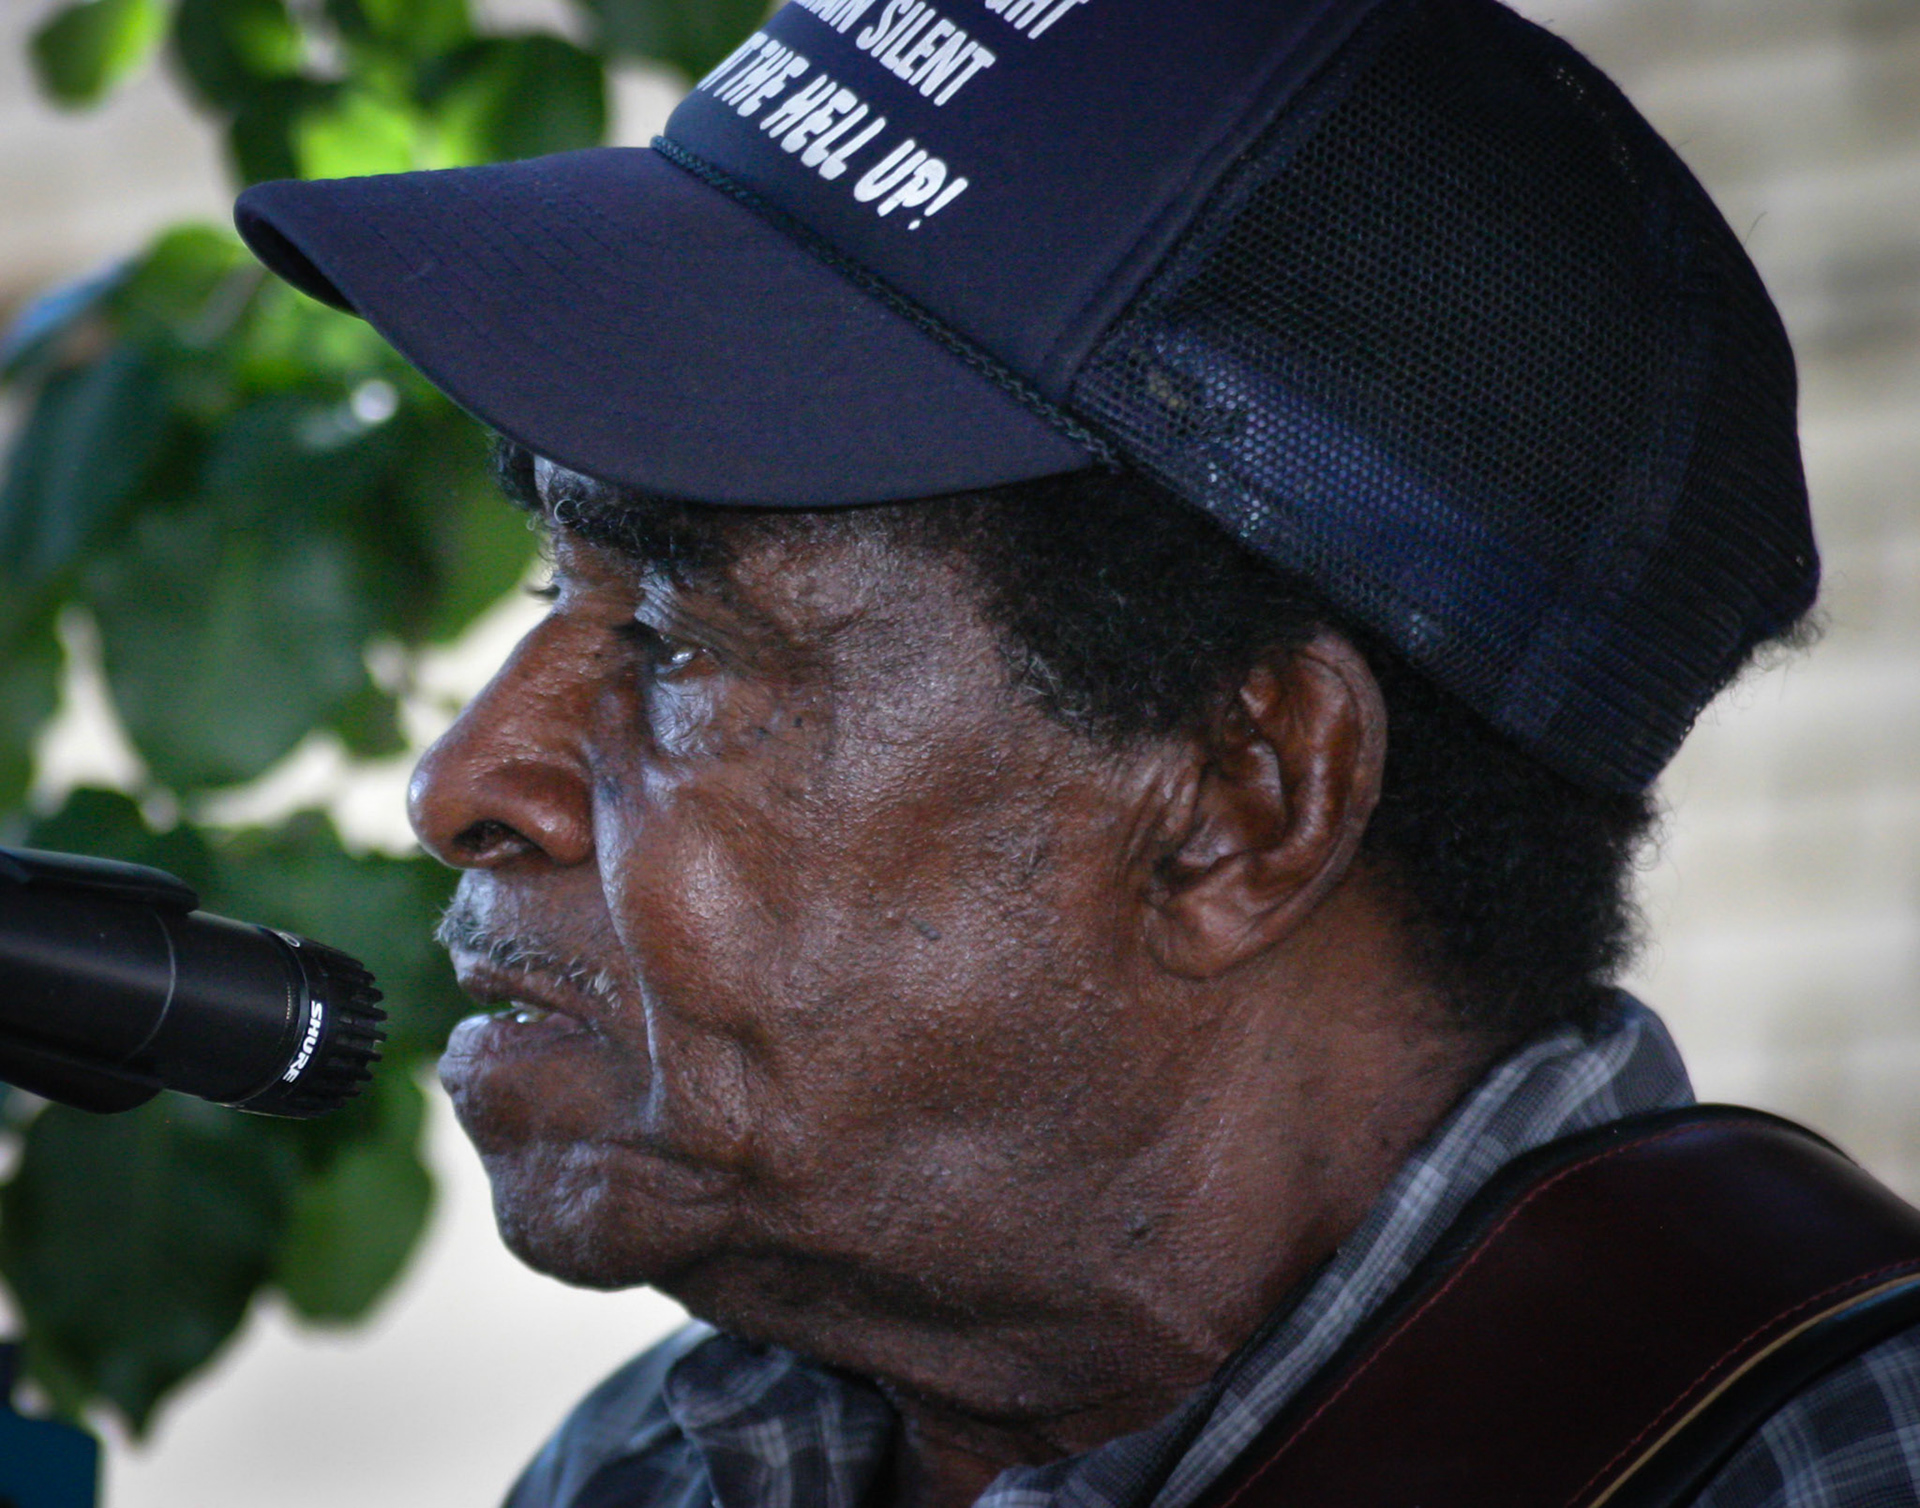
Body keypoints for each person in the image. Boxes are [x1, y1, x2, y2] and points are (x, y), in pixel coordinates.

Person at [232, 0, 1920, 1504]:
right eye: (552, 587)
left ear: (1238, 804)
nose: (461, 784)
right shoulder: (654, 1467)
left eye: (679, 646)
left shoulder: (1831, 1461)